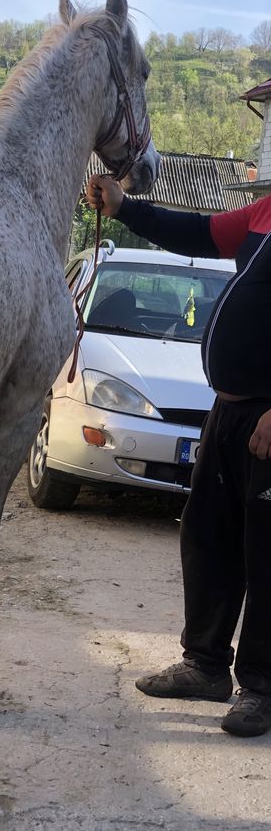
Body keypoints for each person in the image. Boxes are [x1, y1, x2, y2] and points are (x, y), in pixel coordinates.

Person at [85, 173, 271, 738]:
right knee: (208, 534)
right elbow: (197, 232)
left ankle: (261, 687)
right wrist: (124, 208)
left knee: (266, 552)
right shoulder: (265, 212)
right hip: (229, 409)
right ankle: (206, 664)